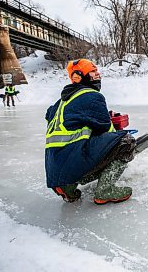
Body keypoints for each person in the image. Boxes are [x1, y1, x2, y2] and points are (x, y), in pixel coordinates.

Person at [45, 59, 136, 205]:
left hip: (55, 166)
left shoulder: (60, 102)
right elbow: (106, 128)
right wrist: (118, 134)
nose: (98, 74)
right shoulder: (91, 95)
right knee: (125, 141)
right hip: (74, 158)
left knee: (90, 147)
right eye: (93, 72)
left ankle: (68, 186)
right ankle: (105, 191)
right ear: (78, 77)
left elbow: (50, 115)